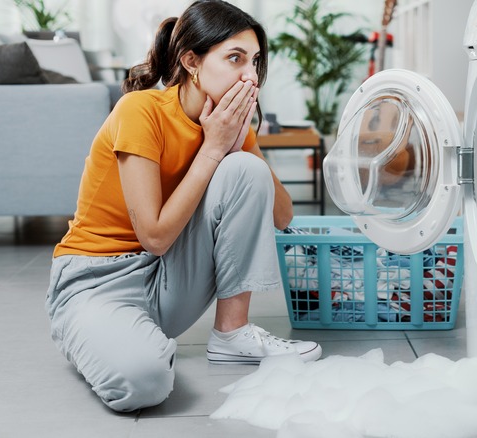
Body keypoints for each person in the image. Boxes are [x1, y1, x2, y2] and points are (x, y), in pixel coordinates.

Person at [44, 0, 321, 412]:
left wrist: (242, 141)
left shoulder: (228, 125)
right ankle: (97, 333)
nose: (250, 75)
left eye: (255, 61)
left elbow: (283, 216)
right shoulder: (140, 111)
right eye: (234, 58)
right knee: (144, 383)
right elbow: (153, 237)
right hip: (95, 281)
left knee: (245, 168)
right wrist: (212, 148)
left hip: (168, 278)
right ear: (192, 61)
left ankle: (232, 333)